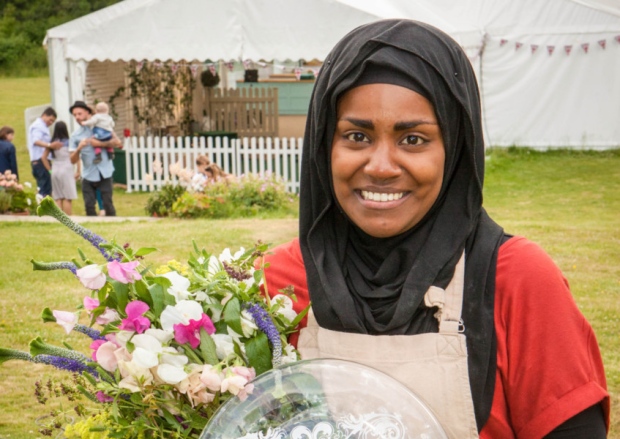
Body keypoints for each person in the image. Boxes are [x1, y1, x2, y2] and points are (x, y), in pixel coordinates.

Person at [260, 20, 609, 438]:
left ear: (456, 148)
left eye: (413, 140)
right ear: (323, 146)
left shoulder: (516, 280)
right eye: (356, 136)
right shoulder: (275, 284)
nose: (382, 167)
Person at [68, 100, 121, 216]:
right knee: (89, 206)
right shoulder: (75, 135)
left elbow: (117, 142)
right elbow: (71, 160)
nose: (77, 117)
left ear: (87, 112)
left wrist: (100, 144)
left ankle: (115, 227)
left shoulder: (102, 126)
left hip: (105, 172)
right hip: (88, 174)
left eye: (79, 114)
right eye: (75, 115)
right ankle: (92, 231)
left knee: (108, 204)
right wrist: (79, 149)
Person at [41, 121, 79, 215]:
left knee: (58, 197)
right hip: (66, 168)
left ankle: (58, 219)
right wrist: (78, 170)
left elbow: (43, 158)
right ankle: (68, 219)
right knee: (67, 197)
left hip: (55, 168)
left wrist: (50, 170)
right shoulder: (69, 142)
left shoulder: (52, 143)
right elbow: (75, 157)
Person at [27, 107, 63, 198]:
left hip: (42, 161)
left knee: (46, 188)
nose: (50, 123)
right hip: (40, 161)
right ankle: (42, 210)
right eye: (50, 120)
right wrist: (49, 145)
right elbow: (36, 140)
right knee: (44, 189)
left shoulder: (43, 126)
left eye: (52, 122)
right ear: (44, 115)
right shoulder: (38, 126)